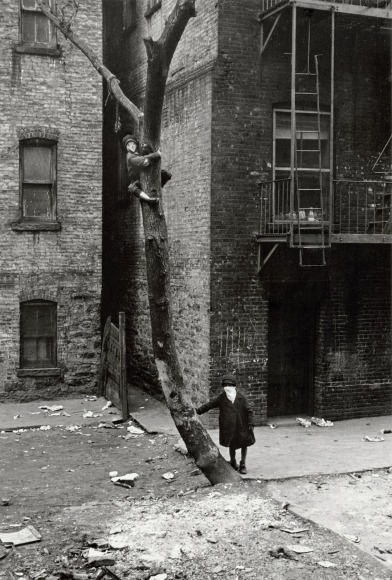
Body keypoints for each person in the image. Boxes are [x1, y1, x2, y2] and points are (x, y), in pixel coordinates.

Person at [196, 374, 255, 474]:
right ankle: (233, 462)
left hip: (242, 425)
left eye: (230, 385)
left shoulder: (241, 397)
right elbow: (210, 404)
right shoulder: (222, 398)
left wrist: (251, 423)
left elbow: (249, 411)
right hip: (229, 427)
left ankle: (243, 464)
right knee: (232, 444)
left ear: (234, 386)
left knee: (244, 444)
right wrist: (198, 411)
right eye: (226, 385)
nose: (228, 387)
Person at [122, 134, 171, 204]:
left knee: (166, 174)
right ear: (126, 148)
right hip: (137, 179)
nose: (131, 146)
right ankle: (147, 199)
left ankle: (158, 186)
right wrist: (156, 154)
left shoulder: (138, 152)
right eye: (128, 145)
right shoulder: (130, 156)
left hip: (148, 174)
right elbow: (142, 161)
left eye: (133, 144)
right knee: (131, 188)